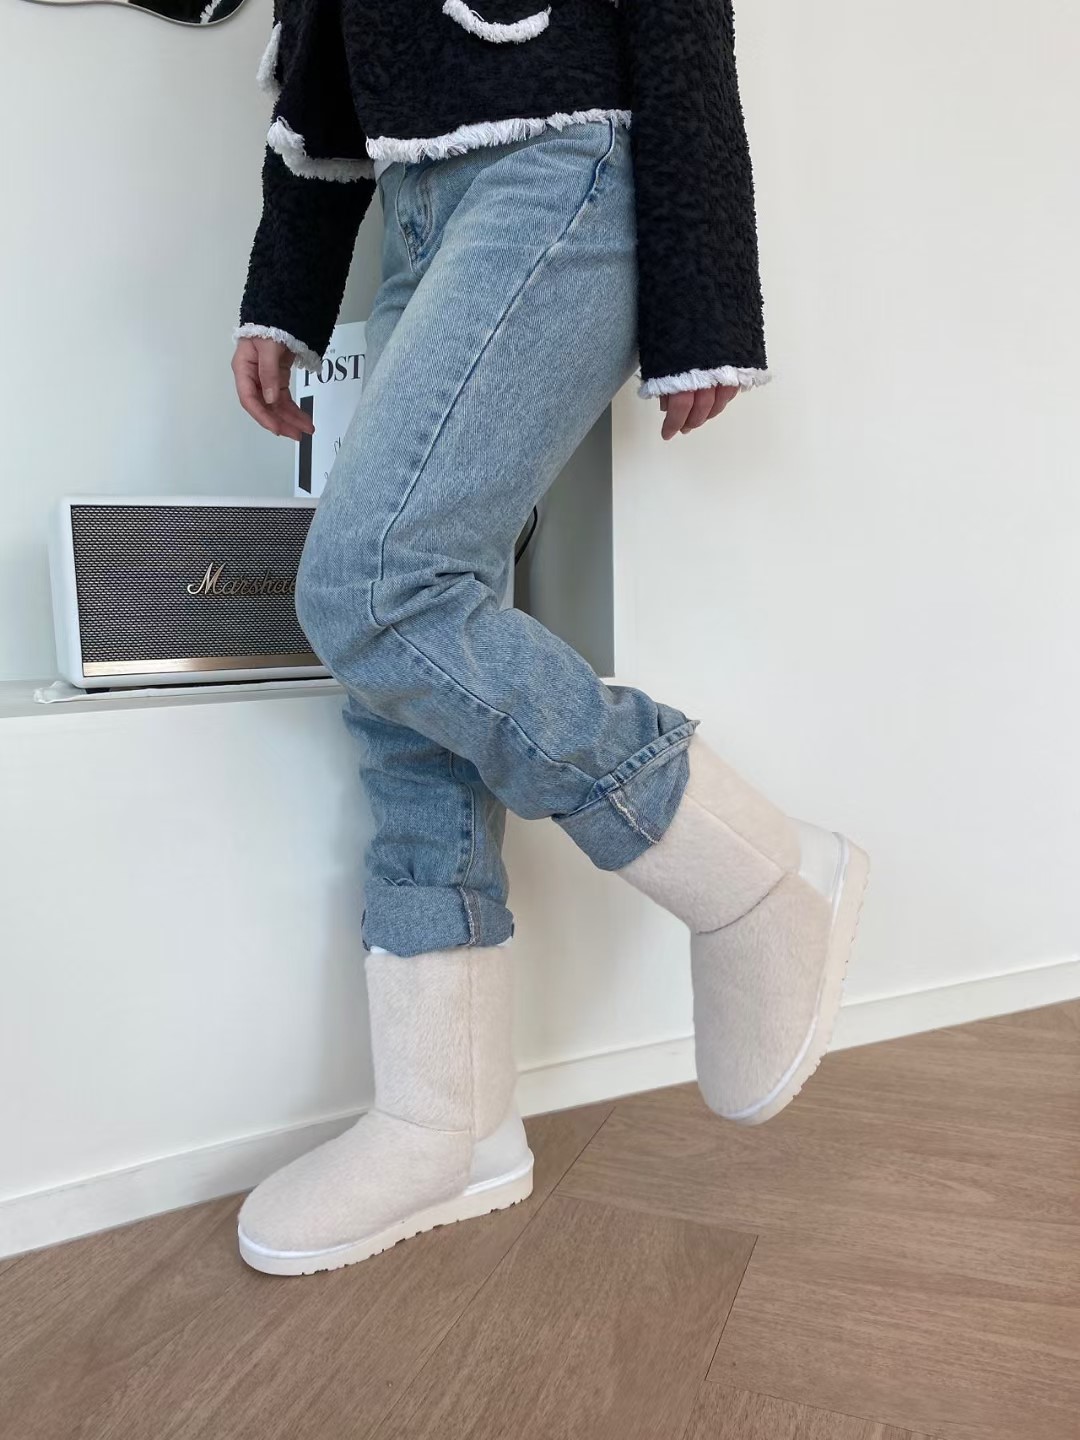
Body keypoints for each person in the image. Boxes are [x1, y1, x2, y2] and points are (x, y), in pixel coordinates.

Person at [230, 0, 869, 1278]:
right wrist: (281, 296)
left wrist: (707, 304)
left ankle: (751, 872)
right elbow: (324, 49)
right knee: (399, 668)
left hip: (561, 166)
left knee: (377, 589)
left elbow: (680, 21)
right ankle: (445, 1120)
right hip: (416, 204)